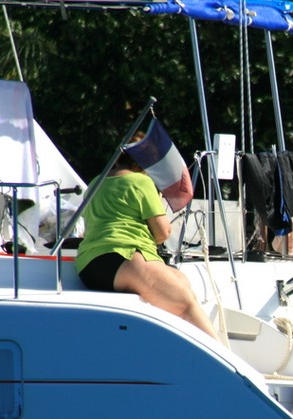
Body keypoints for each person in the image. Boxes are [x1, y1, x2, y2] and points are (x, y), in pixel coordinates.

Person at [75, 139, 220, 340]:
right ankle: (229, 364)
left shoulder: (94, 183)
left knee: (180, 281)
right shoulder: (140, 182)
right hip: (121, 256)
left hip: (89, 265)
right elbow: (163, 232)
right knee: (184, 303)